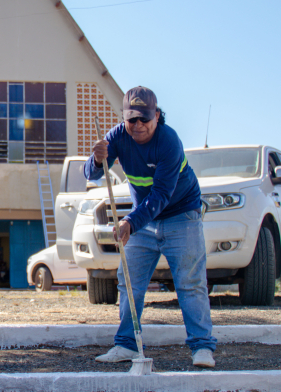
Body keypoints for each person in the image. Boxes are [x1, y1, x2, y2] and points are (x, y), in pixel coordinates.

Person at [84, 86, 216, 368]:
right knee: (129, 280)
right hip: (144, 219)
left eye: (145, 118)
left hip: (182, 214)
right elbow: (92, 174)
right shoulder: (118, 136)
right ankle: (126, 345)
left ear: (157, 116)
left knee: (190, 283)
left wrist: (131, 222)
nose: (139, 125)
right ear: (124, 118)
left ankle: (202, 348)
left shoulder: (169, 141)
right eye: (132, 119)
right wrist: (96, 159)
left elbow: (161, 196)